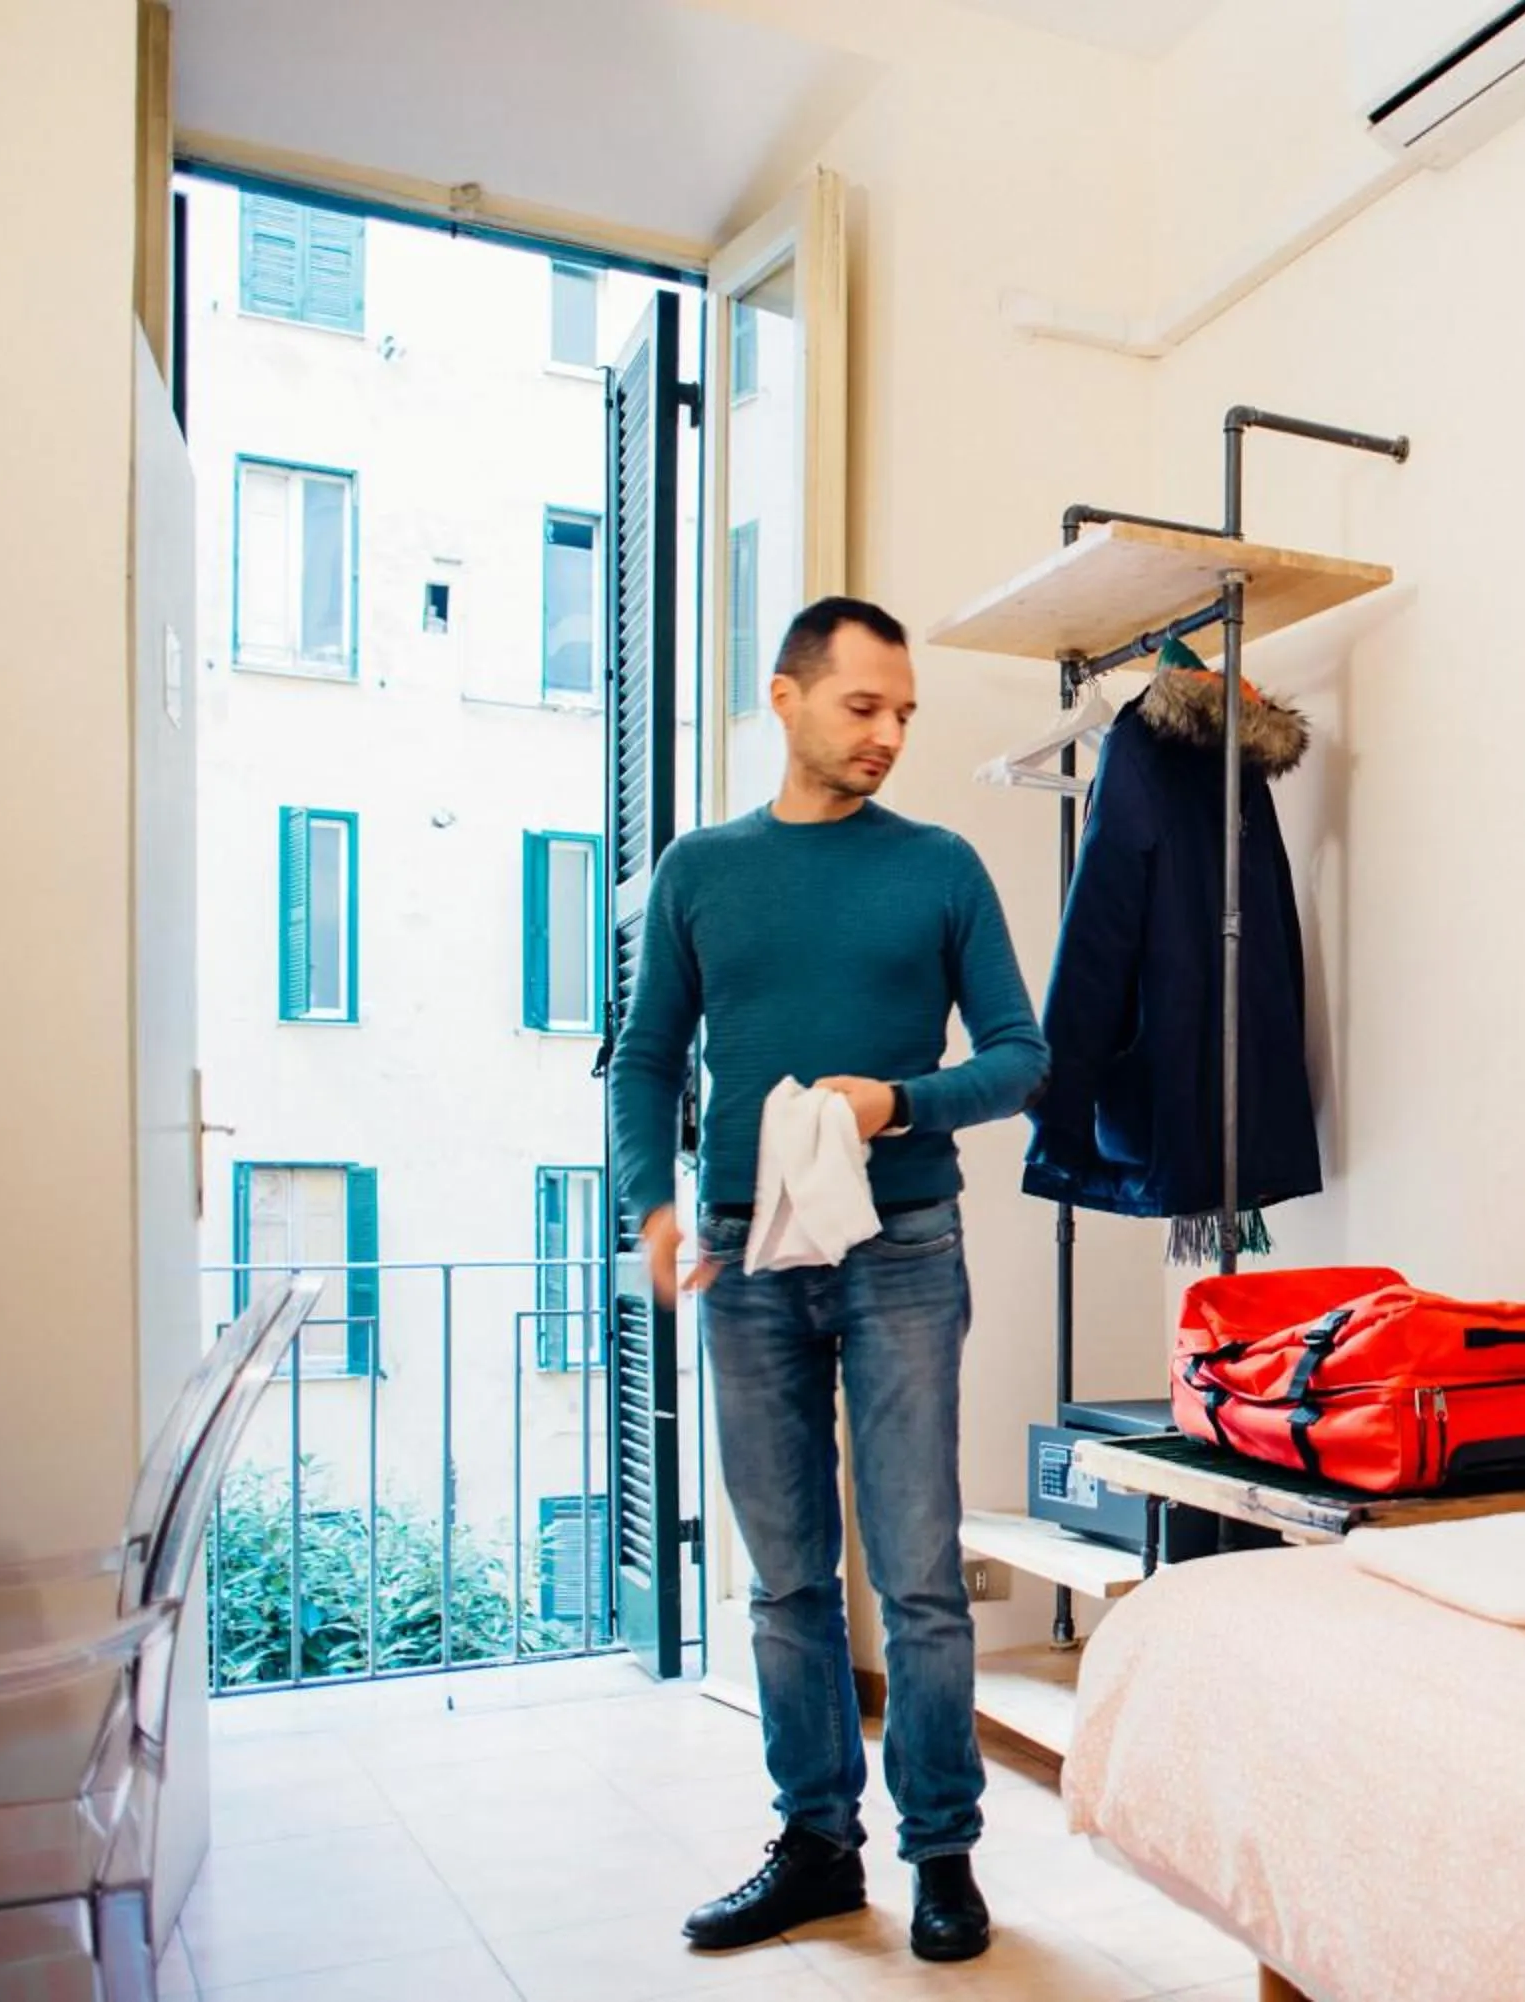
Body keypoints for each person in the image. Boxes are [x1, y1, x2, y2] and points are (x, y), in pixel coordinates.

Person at [610, 596, 1048, 1963]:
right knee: (787, 1576)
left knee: (915, 1569)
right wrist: (652, 1207)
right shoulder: (700, 870)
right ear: (788, 698)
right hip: (744, 1253)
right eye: (865, 706)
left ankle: (945, 1856)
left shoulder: (940, 866)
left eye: (905, 712)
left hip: (904, 1249)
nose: (890, 734)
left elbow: (1022, 1056)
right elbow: (640, 1059)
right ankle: (815, 1845)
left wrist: (896, 1103)